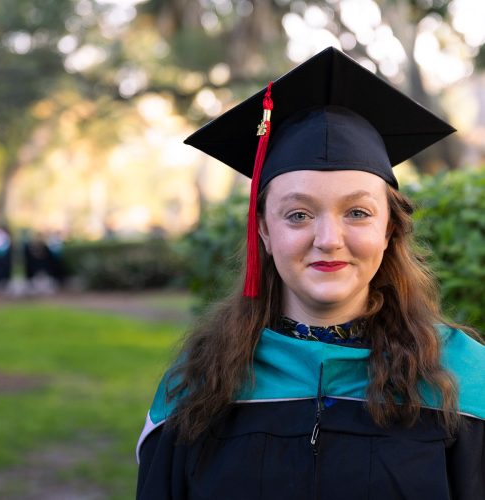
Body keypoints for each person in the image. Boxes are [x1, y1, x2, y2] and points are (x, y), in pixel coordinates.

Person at [136, 47, 485, 499]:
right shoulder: (200, 383)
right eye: (298, 215)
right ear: (263, 228)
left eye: (357, 212)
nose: (328, 238)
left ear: (389, 229)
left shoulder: (462, 378)